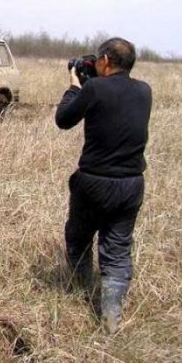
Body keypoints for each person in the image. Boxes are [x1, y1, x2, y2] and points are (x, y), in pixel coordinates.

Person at [55, 37, 152, 334]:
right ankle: (111, 314)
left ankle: (82, 287)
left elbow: (63, 119)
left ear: (106, 60)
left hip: (94, 182)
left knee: (79, 236)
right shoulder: (145, 91)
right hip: (132, 185)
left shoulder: (94, 88)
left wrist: (74, 84)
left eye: (98, 59)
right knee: (118, 249)